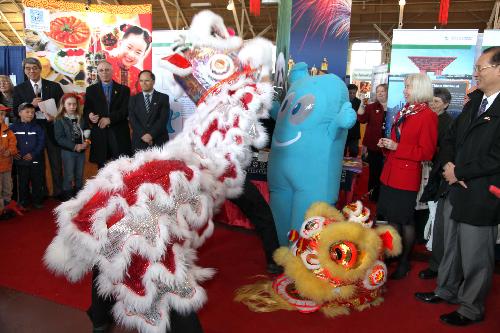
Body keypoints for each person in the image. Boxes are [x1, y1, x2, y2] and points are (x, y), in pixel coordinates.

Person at [415, 47, 500, 327]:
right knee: (450, 245)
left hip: (482, 192)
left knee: (476, 254)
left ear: (498, 69)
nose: (476, 73)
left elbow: (496, 156)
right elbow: (450, 137)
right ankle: (446, 290)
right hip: (454, 185)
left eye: (481, 68)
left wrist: (461, 171)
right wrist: (450, 168)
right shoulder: (474, 101)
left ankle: (470, 308)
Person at [376, 73, 437, 279]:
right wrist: (387, 145)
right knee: (392, 218)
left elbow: (426, 152)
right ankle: (395, 253)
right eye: (405, 86)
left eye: (408, 86)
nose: (404, 90)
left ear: (419, 88)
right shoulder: (405, 110)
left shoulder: (427, 115)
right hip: (390, 173)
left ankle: (404, 262)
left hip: (406, 177)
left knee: (405, 220)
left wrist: (397, 147)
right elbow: (398, 142)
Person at [13, 57, 64, 200]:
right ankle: (41, 193)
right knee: (38, 165)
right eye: (28, 68)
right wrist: (30, 105)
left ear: (40, 69)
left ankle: (58, 192)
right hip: (32, 133)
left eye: (34, 68)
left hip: (52, 129)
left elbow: (62, 108)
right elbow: (15, 111)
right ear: (24, 71)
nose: (31, 71)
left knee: (56, 163)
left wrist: (55, 117)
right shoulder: (19, 89)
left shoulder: (54, 86)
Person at [418, 87, 454, 279]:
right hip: (425, 166)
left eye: (437, 102)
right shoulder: (426, 116)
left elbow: (444, 148)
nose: (433, 104)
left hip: (437, 170)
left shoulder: (448, 123)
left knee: (432, 210)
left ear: (446, 104)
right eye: (431, 101)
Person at [84, 60, 131, 169]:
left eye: (107, 69)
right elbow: (87, 109)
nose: (104, 72)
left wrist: (109, 119)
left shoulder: (124, 90)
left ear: (112, 71)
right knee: (102, 168)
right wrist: (90, 115)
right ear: (98, 73)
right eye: (101, 70)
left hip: (119, 133)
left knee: (122, 167)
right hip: (100, 133)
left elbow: (125, 110)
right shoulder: (90, 90)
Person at [10, 103, 45, 209]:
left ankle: (37, 201)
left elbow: (41, 143)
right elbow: (10, 142)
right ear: (20, 113)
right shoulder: (12, 128)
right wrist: (15, 152)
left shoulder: (38, 128)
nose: (30, 114)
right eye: (27, 112)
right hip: (20, 161)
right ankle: (23, 202)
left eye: (33, 113)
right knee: (22, 182)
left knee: (37, 181)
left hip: (35, 160)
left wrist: (33, 154)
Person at [357, 83, 388, 201]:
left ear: (388, 92)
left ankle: (384, 196)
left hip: (390, 146)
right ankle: (373, 196)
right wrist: (361, 104)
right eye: (378, 91)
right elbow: (361, 119)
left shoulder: (395, 107)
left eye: (382, 91)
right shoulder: (371, 107)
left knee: (387, 172)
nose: (380, 93)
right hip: (374, 146)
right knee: (374, 172)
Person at [54, 94, 88, 200]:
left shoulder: (80, 117)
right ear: (64, 105)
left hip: (81, 152)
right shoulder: (59, 119)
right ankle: (68, 197)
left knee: (79, 174)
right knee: (69, 175)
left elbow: (86, 130)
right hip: (68, 152)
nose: (72, 107)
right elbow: (59, 138)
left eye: (74, 104)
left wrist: (87, 141)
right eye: (69, 104)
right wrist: (74, 146)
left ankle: (79, 196)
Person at [128, 70, 170, 151]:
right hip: (139, 141)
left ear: (153, 81)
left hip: (159, 140)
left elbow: (163, 119)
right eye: (141, 81)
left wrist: (151, 135)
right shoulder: (133, 99)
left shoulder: (163, 98)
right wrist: (143, 135)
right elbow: (132, 119)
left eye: (147, 80)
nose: (143, 83)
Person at [105, 24, 152, 96]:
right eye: (129, 47)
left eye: (138, 52)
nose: (131, 55)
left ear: (143, 55)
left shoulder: (139, 74)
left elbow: (142, 97)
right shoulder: (105, 63)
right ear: (120, 44)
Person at [0, 105, 17, 220]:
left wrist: (10, 151)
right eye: (0, 113)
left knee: (7, 188)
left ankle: (6, 208)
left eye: (3, 114)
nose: (2, 116)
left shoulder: (8, 130)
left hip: (6, 166)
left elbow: (13, 146)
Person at [345, 83, 361, 157]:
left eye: (354, 93)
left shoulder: (359, 102)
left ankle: (353, 169)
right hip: (344, 130)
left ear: (356, 93)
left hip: (354, 131)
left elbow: (360, 116)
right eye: (350, 93)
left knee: (354, 151)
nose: (352, 94)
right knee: (342, 151)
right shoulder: (343, 101)